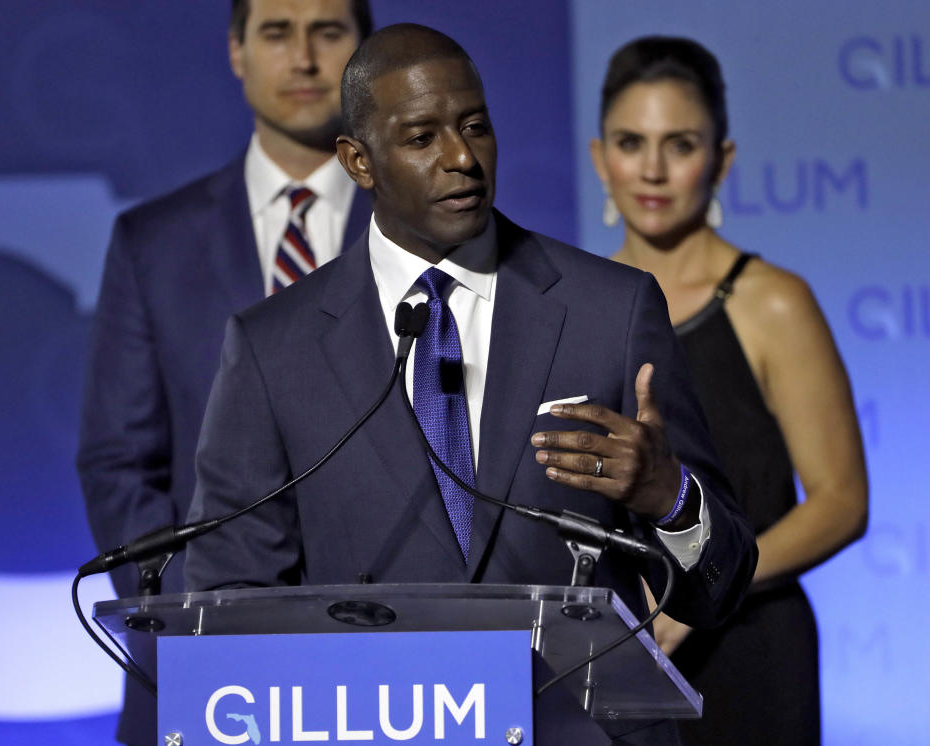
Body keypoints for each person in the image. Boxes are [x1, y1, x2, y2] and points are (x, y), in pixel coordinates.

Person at [184, 24, 758, 744]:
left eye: (475, 127)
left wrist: (668, 498)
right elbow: (228, 600)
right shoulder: (275, 349)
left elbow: (722, 587)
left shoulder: (610, 311)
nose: (462, 158)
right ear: (358, 162)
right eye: (422, 138)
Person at [76, 2, 374, 743]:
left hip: (394, 673)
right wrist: (208, 617)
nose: (303, 58)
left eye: (328, 31)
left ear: (366, 52)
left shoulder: (428, 227)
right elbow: (119, 463)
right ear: (237, 52)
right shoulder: (154, 244)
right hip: (201, 676)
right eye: (277, 32)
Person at [588, 36, 868, 745]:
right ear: (599, 158)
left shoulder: (771, 302)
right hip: (619, 653)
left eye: (679, 144)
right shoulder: (580, 302)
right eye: (631, 142)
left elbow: (841, 501)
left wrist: (700, 589)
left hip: (747, 647)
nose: (652, 169)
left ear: (723, 159)